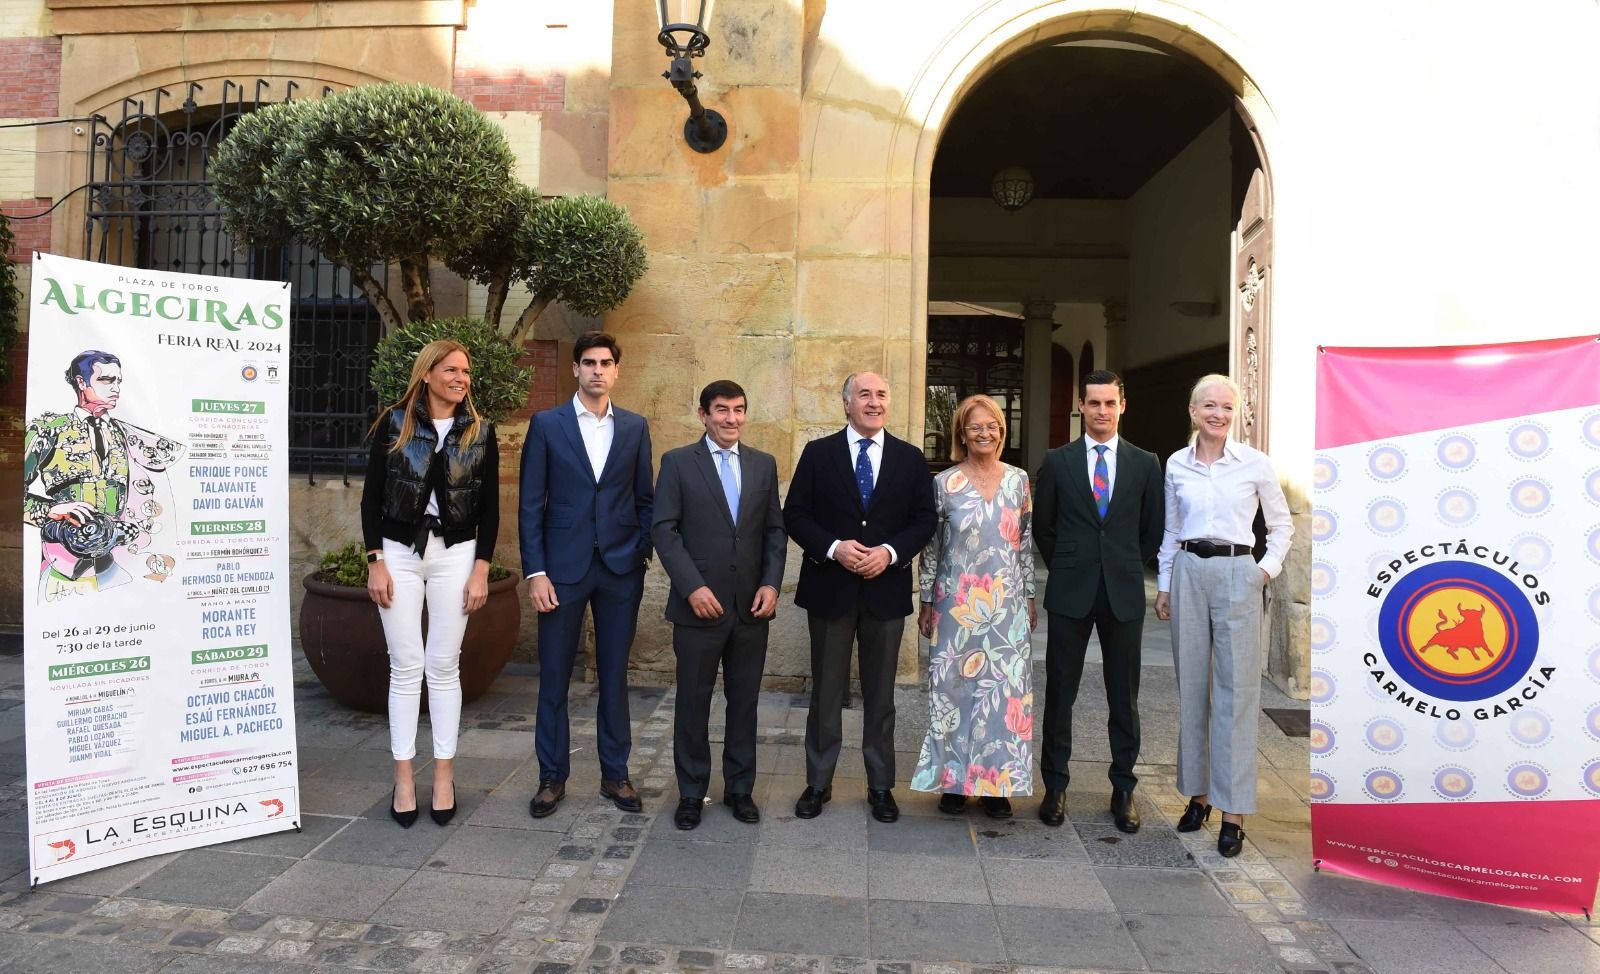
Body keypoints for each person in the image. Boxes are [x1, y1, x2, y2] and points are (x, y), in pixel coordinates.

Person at [783, 371, 936, 823]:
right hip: (830, 590)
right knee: (827, 692)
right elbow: (795, 514)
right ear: (846, 403)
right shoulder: (818, 453)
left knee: (881, 694)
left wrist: (889, 553)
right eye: (864, 394)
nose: (873, 402)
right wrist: (834, 548)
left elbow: (924, 520)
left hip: (885, 594)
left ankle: (881, 785)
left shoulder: (910, 459)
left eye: (881, 395)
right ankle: (818, 781)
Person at [360, 339, 499, 829]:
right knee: (406, 665)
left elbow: (491, 509)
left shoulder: (480, 432)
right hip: (397, 553)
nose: (462, 378)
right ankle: (402, 776)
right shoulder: (394, 424)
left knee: (443, 666)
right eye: (452, 370)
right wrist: (375, 560)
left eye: (466, 371)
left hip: (456, 554)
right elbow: (371, 497)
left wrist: (481, 567)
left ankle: (443, 774)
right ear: (428, 374)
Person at [1153, 374, 1292, 857]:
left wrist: (1263, 572)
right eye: (1209, 406)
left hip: (1238, 572)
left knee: (1236, 693)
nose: (1218, 414)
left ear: (1235, 414)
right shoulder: (1176, 464)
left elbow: (1281, 525)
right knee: (1192, 688)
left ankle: (1233, 812)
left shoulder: (1255, 464)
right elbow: (1171, 530)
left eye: (1226, 407)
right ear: (1193, 411)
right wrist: (1166, 584)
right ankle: (1199, 796)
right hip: (1190, 570)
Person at [519, 332, 654, 818]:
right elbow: (531, 503)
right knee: (554, 677)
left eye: (605, 363)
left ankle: (615, 775)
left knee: (615, 676)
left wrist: (640, 552)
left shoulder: (636, 427)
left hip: (620, 569)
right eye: (589, 363)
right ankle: (551, 777)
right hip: (561, 571)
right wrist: (536, 572)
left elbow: (645, 498)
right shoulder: (547, 425)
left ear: (617, 370)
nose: (597, 370)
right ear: (575, 369)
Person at [652, 380, 787, 830]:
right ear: (703, 415)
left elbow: (773, 532)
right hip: (698, 607)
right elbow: (664, 531)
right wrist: (691, 587)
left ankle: (740, 789)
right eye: (722, 410)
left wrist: (771, 583)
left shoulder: (763, 465)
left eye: (739, 409)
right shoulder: (677, 464)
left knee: (744, 702)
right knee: (693, 701)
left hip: (751, 607)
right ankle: (691, 792)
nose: (732, 418)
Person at [1033, 369, 1163, 832]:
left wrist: (1123, 563)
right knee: (1060, 693)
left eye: (1110, 403)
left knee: (1123, 696)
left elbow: (1153, 530)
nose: (1102, 412)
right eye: (1094, 404)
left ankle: (1124, 787)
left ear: (1122, 405)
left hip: (1123, 592)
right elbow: (1043, 528)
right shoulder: (1058, 461)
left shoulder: (1146, 464)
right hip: (1070, 589)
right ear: (1081, 407)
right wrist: (1071, 563)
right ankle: (1055, 785)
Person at [911, 395, 1037, 818]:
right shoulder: (944, 483)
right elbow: (932, 549)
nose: (985, 433)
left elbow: (1024, 545)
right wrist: (927, 600)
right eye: (975, 427)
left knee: (1004, 695)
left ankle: (996, 785)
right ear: (961, 434)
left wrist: (1030, 597)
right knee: (954, 691)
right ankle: (953, 783)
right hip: (955, 604)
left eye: (993, 426)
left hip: (1006, 607)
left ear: (1002, 431)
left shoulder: (1018, 481)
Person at [23, 349, 185, 601]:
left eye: (118, 381)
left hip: (120, 560)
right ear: (81, 382)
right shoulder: (48, 430)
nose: (116, 388)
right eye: (106, 380)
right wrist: (49, 510)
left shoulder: (126, 433)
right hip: (64, 560)